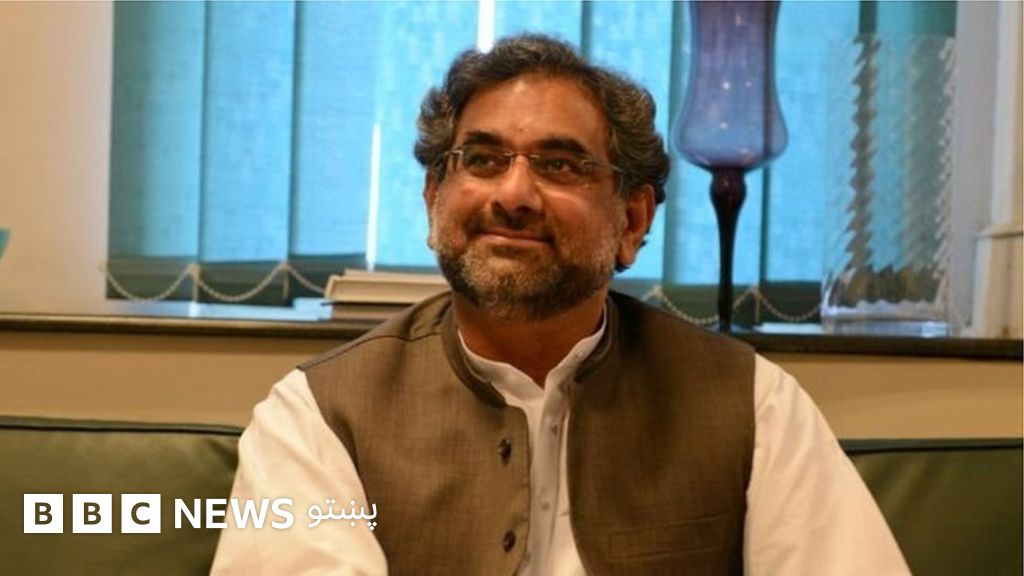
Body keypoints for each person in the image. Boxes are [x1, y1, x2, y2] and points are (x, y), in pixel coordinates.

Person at [212, 34, 909, 575]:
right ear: (433, 201)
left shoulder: (752, 405)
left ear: (632, 220)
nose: (514, 194)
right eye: (482, 159)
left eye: (560, 165)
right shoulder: (317, 416)